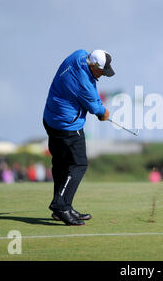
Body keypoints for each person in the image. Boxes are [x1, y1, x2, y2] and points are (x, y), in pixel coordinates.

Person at [43, 49, 114, 226]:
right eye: (102, 71)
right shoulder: (84, 84)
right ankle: (61, 206)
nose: (103, 75)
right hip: (68, 127)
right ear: (93, 65)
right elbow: (96, 109)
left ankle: (64, 206)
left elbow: (91, 89)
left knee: (61, 165)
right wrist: (104, 112)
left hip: (50, 119)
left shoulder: (78, 55)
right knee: (79, 164)